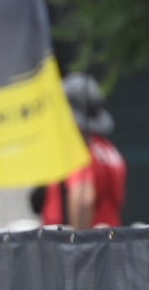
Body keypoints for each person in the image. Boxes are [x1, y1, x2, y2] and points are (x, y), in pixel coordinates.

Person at [41, 72, 127, 229]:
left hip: (83, 247)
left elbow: (83, 200)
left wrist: (78, 245)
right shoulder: (109, 150)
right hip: (109, 242)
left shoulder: (81, 150)